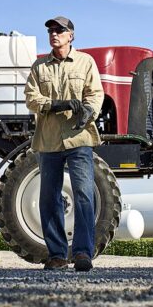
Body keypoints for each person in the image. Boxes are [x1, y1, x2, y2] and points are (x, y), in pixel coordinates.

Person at [23, 15, 103, 271]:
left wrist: (89, 111)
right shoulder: (39, 67)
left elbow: (95, 93)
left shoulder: (85, 62)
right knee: (49, 199)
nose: (54, 33)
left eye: (60, 30)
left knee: (83, 195)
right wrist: (55, 104)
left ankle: (82, 254)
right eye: (51, 30)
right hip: (48, 141)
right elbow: (31, 98)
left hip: (79, 138)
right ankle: (57, 255)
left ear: (71, 35)